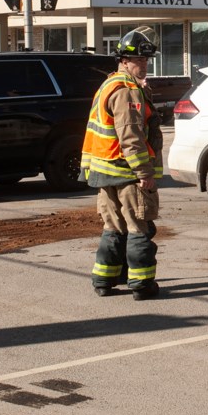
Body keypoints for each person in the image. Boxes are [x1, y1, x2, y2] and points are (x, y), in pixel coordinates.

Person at [81, 26, 163, 301]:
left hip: (105, 173)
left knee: (113, 228)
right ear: (124, 60)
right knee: (140, 228)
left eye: (146, 60)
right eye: (139, 60)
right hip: (127, 173)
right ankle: (142, 285)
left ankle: (104, 280)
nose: (144, 65)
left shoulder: (109, 84)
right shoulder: (125, 90)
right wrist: (144, 173)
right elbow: (131, 136)